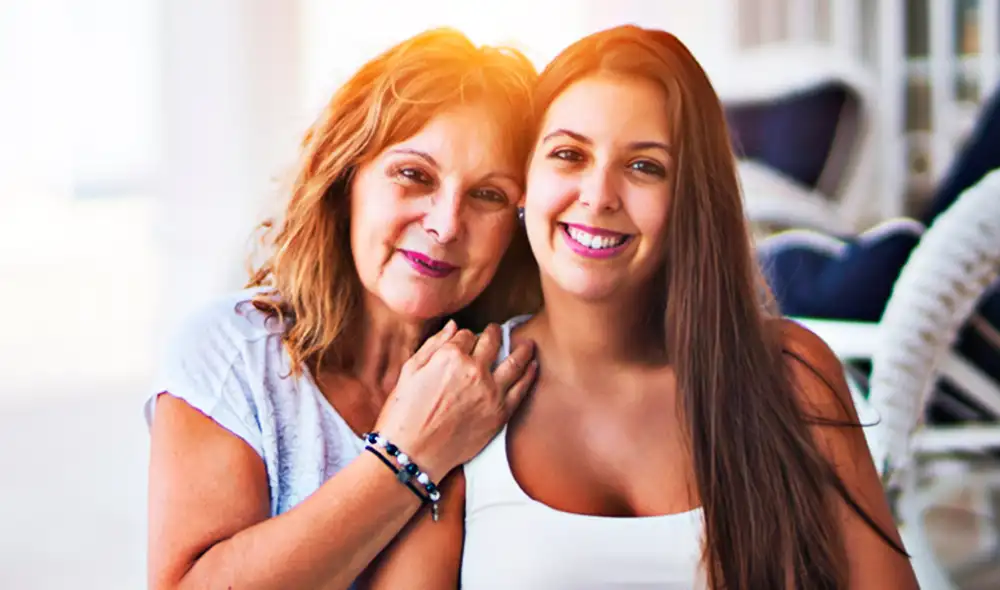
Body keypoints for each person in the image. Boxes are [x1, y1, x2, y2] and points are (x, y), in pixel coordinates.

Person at [364, 25, 919, 589]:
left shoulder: (790, 373)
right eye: (568, 154)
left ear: (689, 198)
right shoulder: (461, 387)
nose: (599, 194)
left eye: (644, 166)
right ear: (523, 184)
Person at [144, 28, 544, 590]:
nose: (446, 224)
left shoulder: (519, 369)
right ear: (345, 177)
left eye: (489, 195)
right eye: (414, 175)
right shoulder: (231, 351)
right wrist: (408, 457)